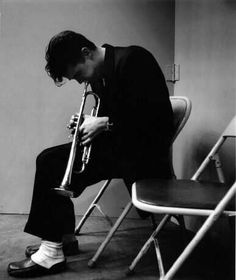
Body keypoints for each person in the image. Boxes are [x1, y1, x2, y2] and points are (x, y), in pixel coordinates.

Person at [8, 30, 174, 277]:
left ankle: (52, 253)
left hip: (142, 156)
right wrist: (88, 122)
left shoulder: (134, 60)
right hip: (120, 148)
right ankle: (63, 239)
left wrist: (105, 123)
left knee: (51, 163)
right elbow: (117, 114)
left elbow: (159, 120)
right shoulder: (100, 75)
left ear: (86, 53)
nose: (79, 82)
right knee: (50, 159)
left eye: (77, 75)